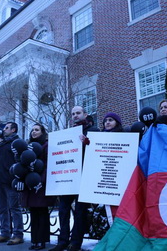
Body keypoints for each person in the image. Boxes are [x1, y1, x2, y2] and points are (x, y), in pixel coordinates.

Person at [50, 106, 99, 251]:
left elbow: (99, 150)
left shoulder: (94, 131)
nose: (75, 115)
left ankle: (75, 243)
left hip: (84, 177)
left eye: (78, 113)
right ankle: (62, 241)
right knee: (63, 210)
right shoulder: (68, 133)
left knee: (80, 211)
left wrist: (87, 142)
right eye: (73, 114)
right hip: (69, 177)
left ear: (85, 114)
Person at [0, 122, 24, 245]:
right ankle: (5, 233)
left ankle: (18, 234)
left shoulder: (16, 142)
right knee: (2, 208)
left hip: (10, 180)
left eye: (6, 128)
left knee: (14, 208)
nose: (4, 130)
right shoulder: (1, 143)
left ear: (13, 130)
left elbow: (20, 160)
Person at [21, 123, 56, 250]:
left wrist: (40, 180)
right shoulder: (28, 147)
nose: (34, 132)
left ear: (42, 132)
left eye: (37, 130)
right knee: (33, 212)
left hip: (41, 184)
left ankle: (42, 241)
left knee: (42, 211)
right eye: (32, 130)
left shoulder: (46, 146)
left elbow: (48, 165)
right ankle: (34, 240)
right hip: (30, 184)